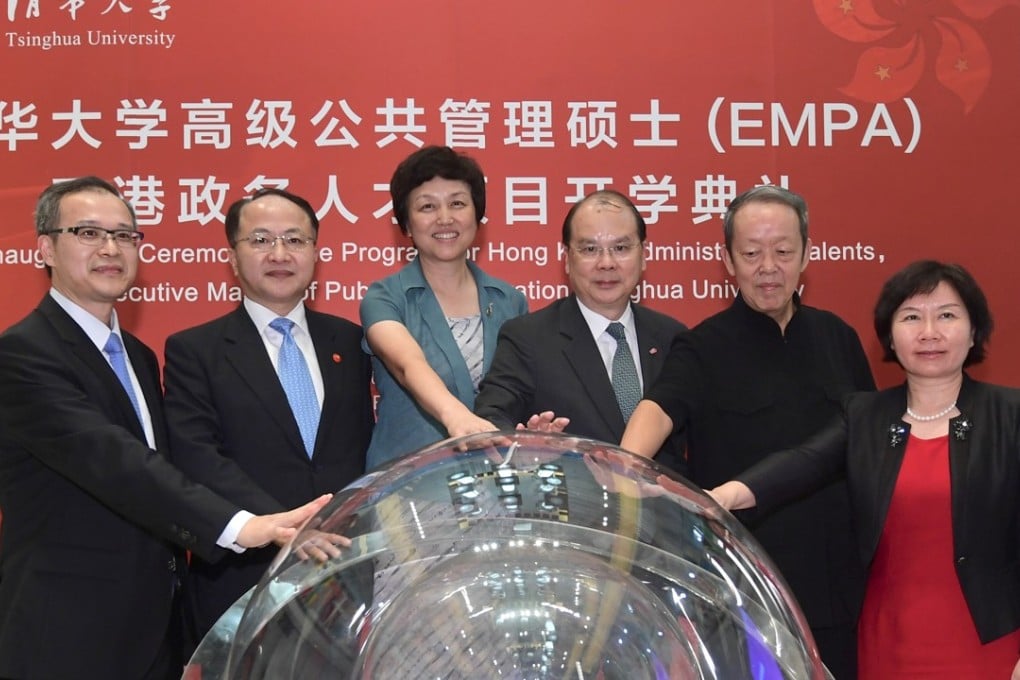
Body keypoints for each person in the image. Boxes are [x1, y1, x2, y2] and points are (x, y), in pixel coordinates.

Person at [0, 176, 332, 680]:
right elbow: (114, 459)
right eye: (88, 233)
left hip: (153, 625)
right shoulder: (21, 354)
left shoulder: (134, 354)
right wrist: (244, 525)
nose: (110, 248)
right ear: (45, 247)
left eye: (125, 235)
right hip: (66, 626)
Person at [711, 260, 1020, 679]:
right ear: (890, 335)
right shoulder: (865, 415)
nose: (929, 332)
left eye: (947, 315)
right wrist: (721, 497)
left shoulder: (1010, 415)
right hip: (887, 643)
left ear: (973, 331)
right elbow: (800, 464)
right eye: (911, 317)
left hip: (991, 644)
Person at [620, 185, 874, 678]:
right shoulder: (701, 345)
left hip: (835, 588)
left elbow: (866, 446)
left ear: (806, 255)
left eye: (783, 252)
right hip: (743, 588)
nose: (768, 267)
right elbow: (659, 407)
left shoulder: (838, 337)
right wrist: (625, 465)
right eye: (752, 253)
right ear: (728, 261)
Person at [163, 188, 374, 648]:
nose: (279, 254)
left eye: (295, 240)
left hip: (343, 576)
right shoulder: (195, 350)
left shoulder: (351, 341)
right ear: (234, 259)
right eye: (260, 240)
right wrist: (281, 526)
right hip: (242, 577)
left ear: (315, 254)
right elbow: (197, 456)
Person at [474, 190, 687, 464]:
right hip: (573, 503)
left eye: (621, 248)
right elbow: (490, 416)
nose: (606, 263)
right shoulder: (528, 338)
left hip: (661, 505)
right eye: (590, 249)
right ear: (566, 259)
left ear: (643, 255)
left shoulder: (674, 338)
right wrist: (522, 445)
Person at [360, 145, 528, 467]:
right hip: (408, 489)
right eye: (427, 206)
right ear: (406, 224)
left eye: (457, 203)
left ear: (477, 216)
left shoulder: (510, 301)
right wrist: (455, 417)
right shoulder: (384, 298)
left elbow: (518, 394)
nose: (445, 218)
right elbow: (409, 365)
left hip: (496, 489)